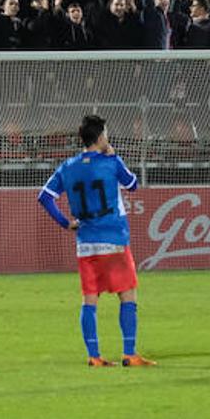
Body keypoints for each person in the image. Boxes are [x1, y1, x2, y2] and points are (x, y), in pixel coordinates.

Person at [37, 115, 155, 368]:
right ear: (101, 137)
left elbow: (45, 198)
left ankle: (94, 356)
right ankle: (129, 353)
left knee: (89, 299)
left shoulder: (67, 167)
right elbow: (133, 185)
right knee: (128, 295)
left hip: (86, 243)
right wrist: (113, 156)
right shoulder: (111, 163)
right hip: (113, 238)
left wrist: (65, 222)